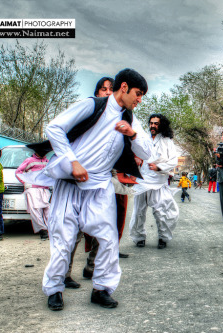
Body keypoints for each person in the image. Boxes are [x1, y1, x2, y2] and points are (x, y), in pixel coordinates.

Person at [29, 68, 153, 311]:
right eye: (138, 94)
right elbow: (54, 128)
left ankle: (101, 289)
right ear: (124, 87)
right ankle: (54, 289)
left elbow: (147, 153)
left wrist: (133, 134)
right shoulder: (92, 105)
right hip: (70, 184)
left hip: (99, 186)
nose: (140, 100)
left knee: (108, 239)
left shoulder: (129, 118)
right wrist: (71, 162)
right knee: (63, 240)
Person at [66, 77, 130, 291]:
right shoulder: (88, 113)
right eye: (103, 89)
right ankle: (64, 272)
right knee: (73, 229)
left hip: (104, 180)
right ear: (97, 93)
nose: (107, 93)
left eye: (110, 89)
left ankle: (93, 267)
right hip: (78, 178)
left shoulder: (121, 118)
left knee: (103, 226)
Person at [129, 113, 179, 249]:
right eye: (151, 123)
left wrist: (159, 167)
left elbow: (173, 161)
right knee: (138, 211)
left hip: (158, 181)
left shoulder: (167, 141)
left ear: (161, 125)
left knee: (161, 211)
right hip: (142, 180)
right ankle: (139, 237)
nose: (153, 126)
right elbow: (134, 152)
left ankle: (163, 237)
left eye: (156, 123)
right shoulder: (143, 138)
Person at [15, 149, 50, 240]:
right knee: (35, 209)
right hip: (32, 188)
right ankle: (42, 230)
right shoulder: (29, 160)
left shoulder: (47, 161)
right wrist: (25, 182)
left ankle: (50, 230)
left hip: (44, 188)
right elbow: (18, 172)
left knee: (48, 209)